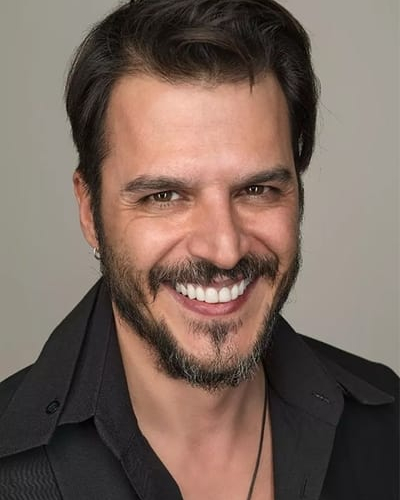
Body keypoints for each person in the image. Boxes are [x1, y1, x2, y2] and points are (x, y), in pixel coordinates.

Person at [0, 1, 398, 498]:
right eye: (164, 196)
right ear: (89, 211)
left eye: (257, 190)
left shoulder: (387, 426)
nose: (224, 250)